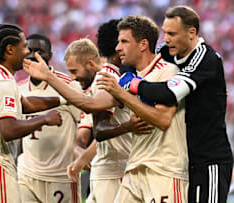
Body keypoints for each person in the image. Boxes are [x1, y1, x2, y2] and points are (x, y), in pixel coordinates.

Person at [101, 6, 234, 203]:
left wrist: (133, 84)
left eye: (172, 33)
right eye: (165, 33)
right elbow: (133, 59)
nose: (166, 39)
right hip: (187, 155)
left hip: (209, 158)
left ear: (191, 33)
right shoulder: (170, 52)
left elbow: (169, 94)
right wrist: (127, 75)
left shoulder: (204, 58)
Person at [23, 37, 152, 202]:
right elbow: (86, 135)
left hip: (115, 170)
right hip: (104, 168)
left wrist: (127, 126)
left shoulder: (104, 80)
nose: (73, 78)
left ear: (90, 64)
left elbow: (98, 129)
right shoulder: (96, 85)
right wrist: (82, 158)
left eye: (75, 71)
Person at [0, 24, 63, 203]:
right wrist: (45, 119)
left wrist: (63, 99)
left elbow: (27, 105)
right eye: (24, 46)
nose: (28, 52)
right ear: (10, 50)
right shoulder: (4, 82)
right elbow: (8, 130)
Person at [93, 15, 189, 203]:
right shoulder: (127, 79)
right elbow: (89, 104)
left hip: (164, 171)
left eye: (124, 41)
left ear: (143, 44)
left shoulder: (168, 71)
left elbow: (162, 120)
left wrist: (121, 94)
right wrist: (50, 79)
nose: (117, 47)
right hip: (134, 169)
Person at [17, 33, 83, 203]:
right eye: (29, 50)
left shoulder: (69, 85)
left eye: (39, 51)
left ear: (50, 56)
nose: (33, 55)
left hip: (61, 176)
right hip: (27, 174)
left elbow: (85, 124)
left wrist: (81, 153)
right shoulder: (18, 88)